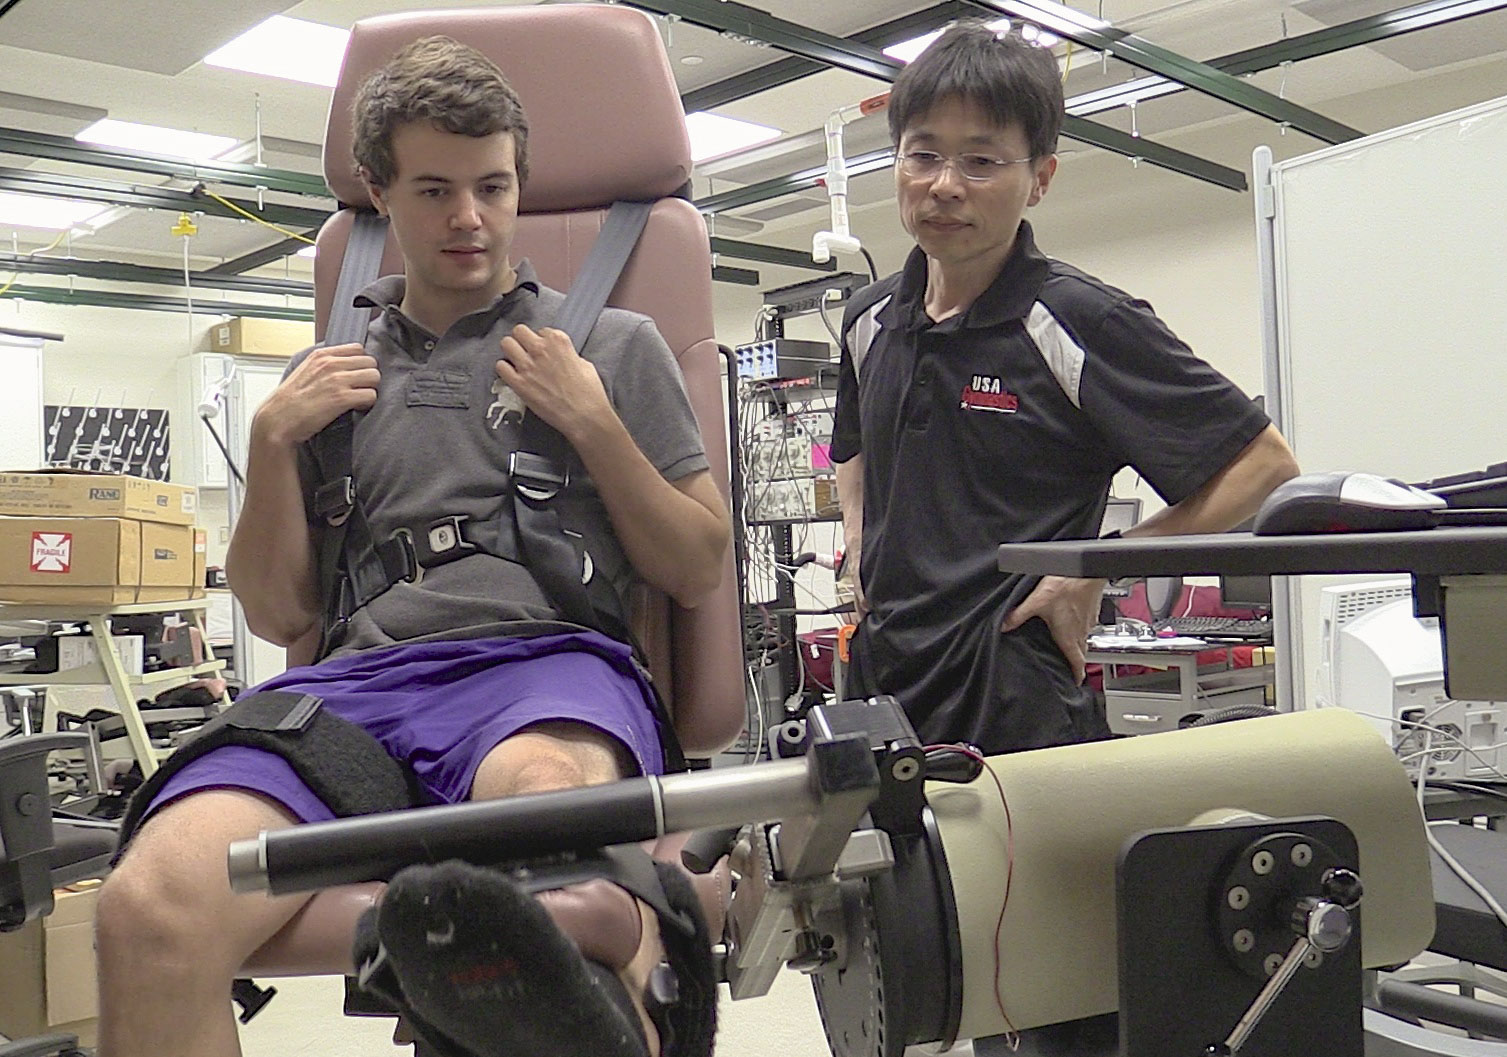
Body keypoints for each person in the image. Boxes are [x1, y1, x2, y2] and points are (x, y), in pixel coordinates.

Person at [93, 37, 727, 1057]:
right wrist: (269, 442)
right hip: (354, 695)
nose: (468, 219)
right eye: (434, 190)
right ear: (380, 194)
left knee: (543, 840)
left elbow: (696, 564)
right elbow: (278, 612)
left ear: (522, 186)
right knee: (147, 911)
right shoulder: (324, 375)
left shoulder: (611, 346)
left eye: (493, 186)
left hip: (542, 674)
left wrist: (596, 424)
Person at [831, 22, 1300, 756]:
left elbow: (1263, 464)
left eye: (981, 160)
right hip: (882, 691)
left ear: (1039, 179)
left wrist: (1099, 566)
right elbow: (851, 444)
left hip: (1012, 693)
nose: (944, 185)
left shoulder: (1079, 321)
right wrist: (858, 541)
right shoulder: (867, 320)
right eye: (922, 154)